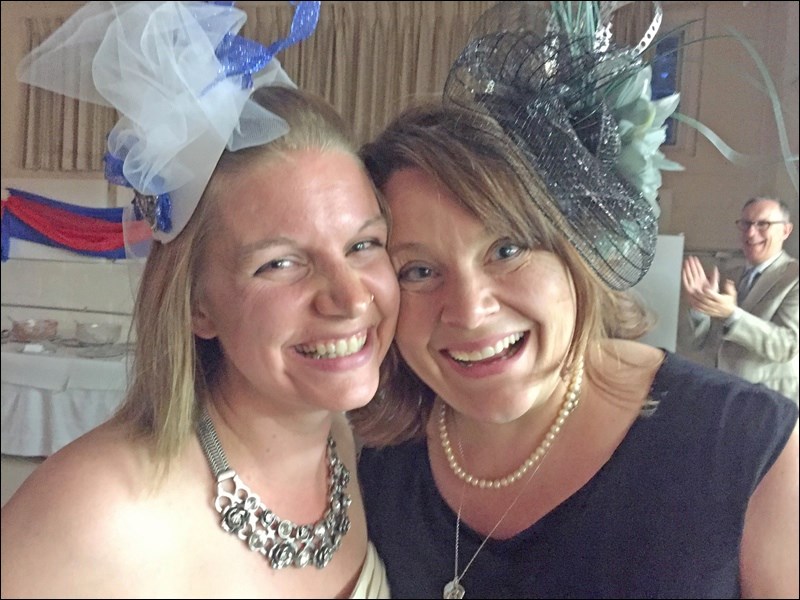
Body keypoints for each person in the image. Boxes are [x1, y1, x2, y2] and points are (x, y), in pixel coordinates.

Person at [350, 2, 799, 598]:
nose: (468, 309)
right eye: (419, 270)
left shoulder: (747, 446)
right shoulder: (378, 458)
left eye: (507, 249)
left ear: (575, 251)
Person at [1, 2, 397, 598]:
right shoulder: (98, 511)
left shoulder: (345, 442)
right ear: (195, 306)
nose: (348, 298)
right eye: (280, 263)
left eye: (364, 244)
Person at [682, 197, 798, 404]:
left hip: (768, 404)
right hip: (721, 396)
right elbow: (700, 344)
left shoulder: (794, 277)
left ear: (786, 231)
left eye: (763, 224)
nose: (751, 233)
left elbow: (787, 345)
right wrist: (700, 308)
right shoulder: (730, 276)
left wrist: (732, 315)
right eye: (745, 224)